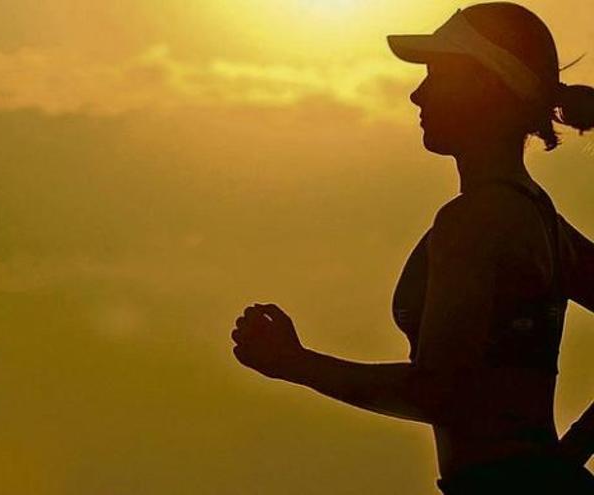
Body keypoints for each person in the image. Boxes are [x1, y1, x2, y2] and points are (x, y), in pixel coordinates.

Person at [230, 3, 594, 493]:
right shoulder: (537, 215)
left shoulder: (475, 221)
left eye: (437, 74)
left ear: (488, 87)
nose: (416, 93)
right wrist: (565, 458)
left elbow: (438, 392)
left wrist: (294, 363)